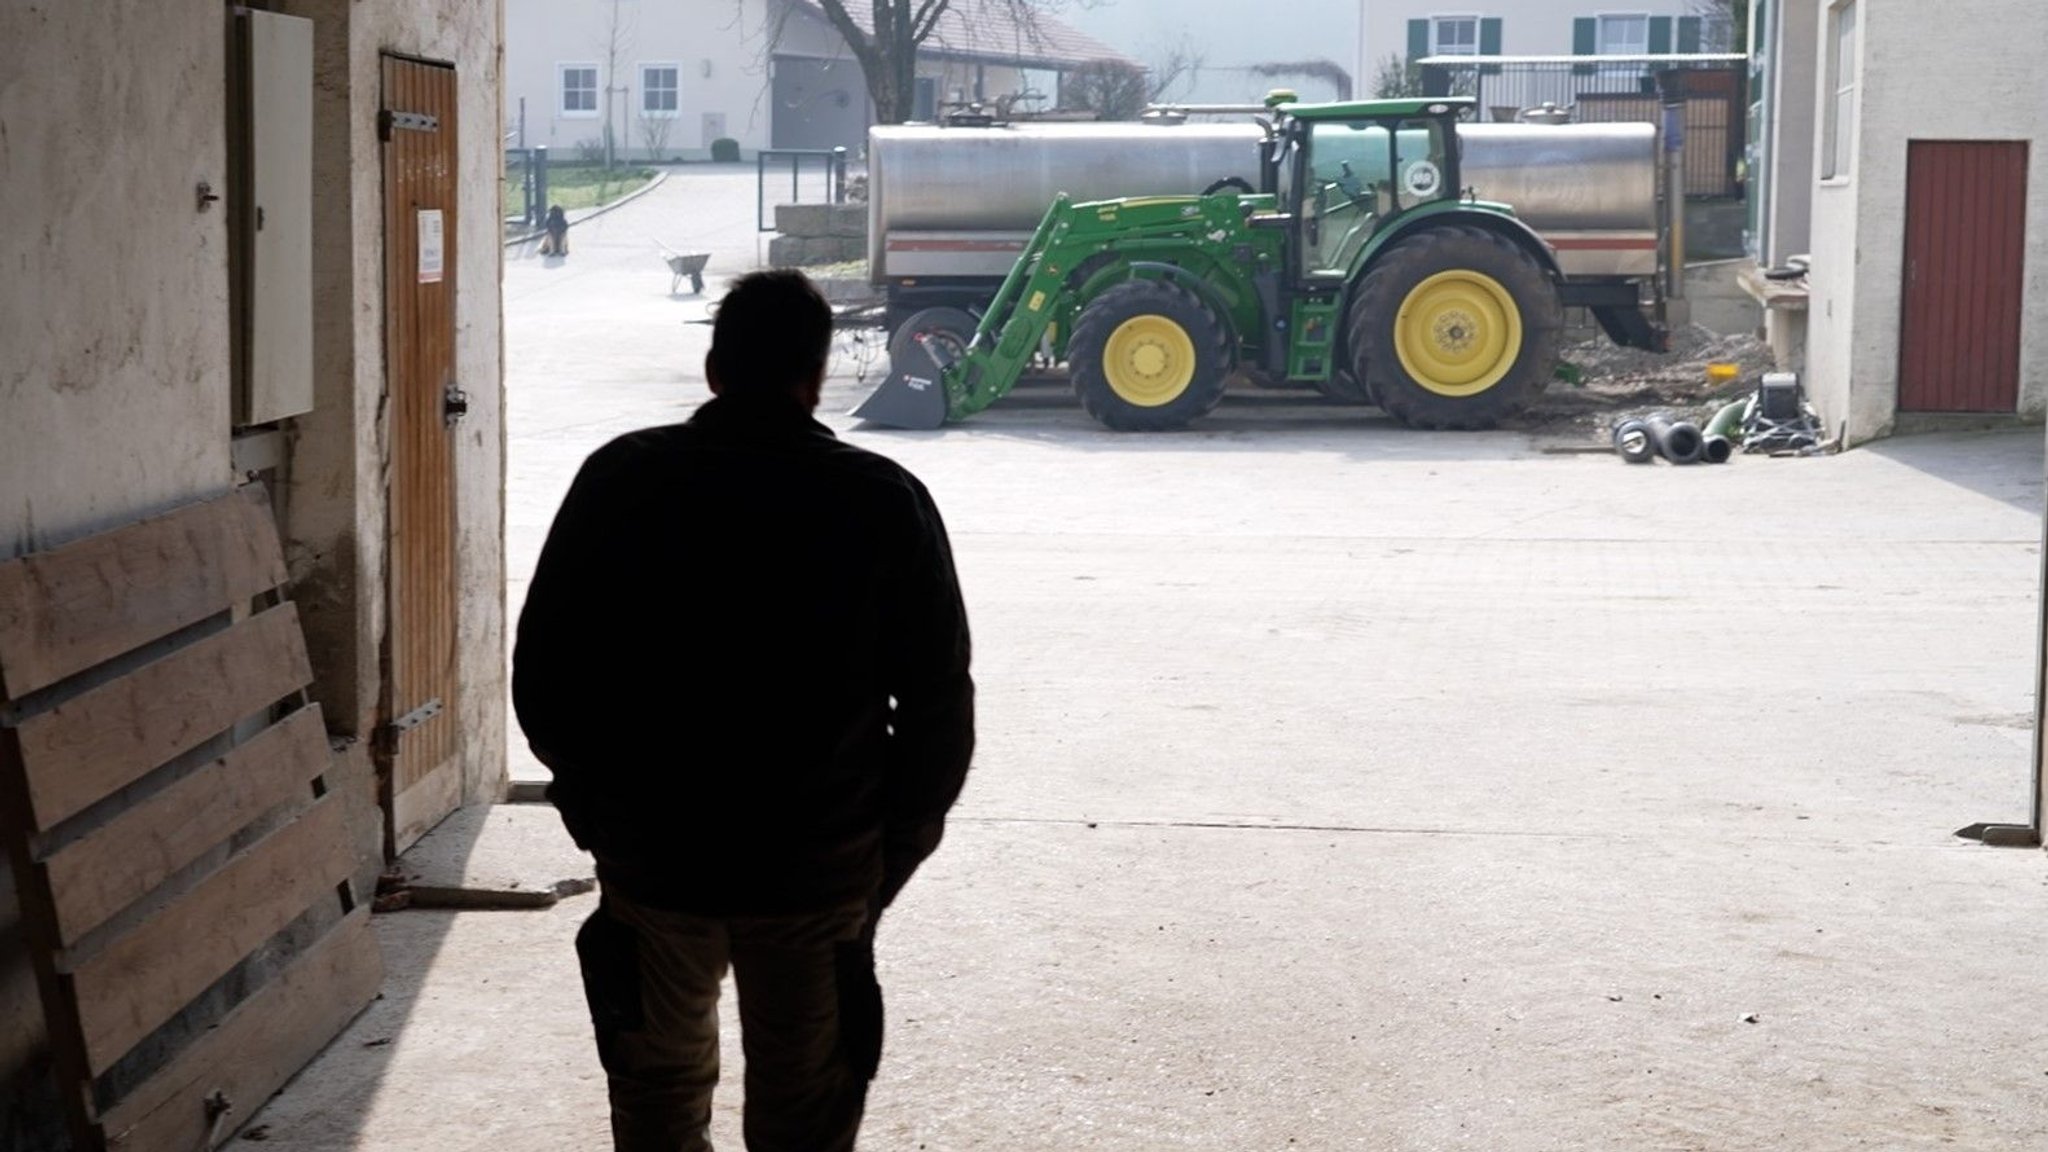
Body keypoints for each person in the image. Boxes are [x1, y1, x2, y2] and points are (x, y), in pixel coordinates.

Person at [513, 270, 975, 1152]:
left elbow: (546, 673)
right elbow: (937, 710)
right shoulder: (882, 499)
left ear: (714, 368)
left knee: (656, 1101)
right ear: (816, 376)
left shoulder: (621, 479)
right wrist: (885, 862)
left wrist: (600, 815)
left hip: (657, 864)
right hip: (817, 867)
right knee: (805, 1115)